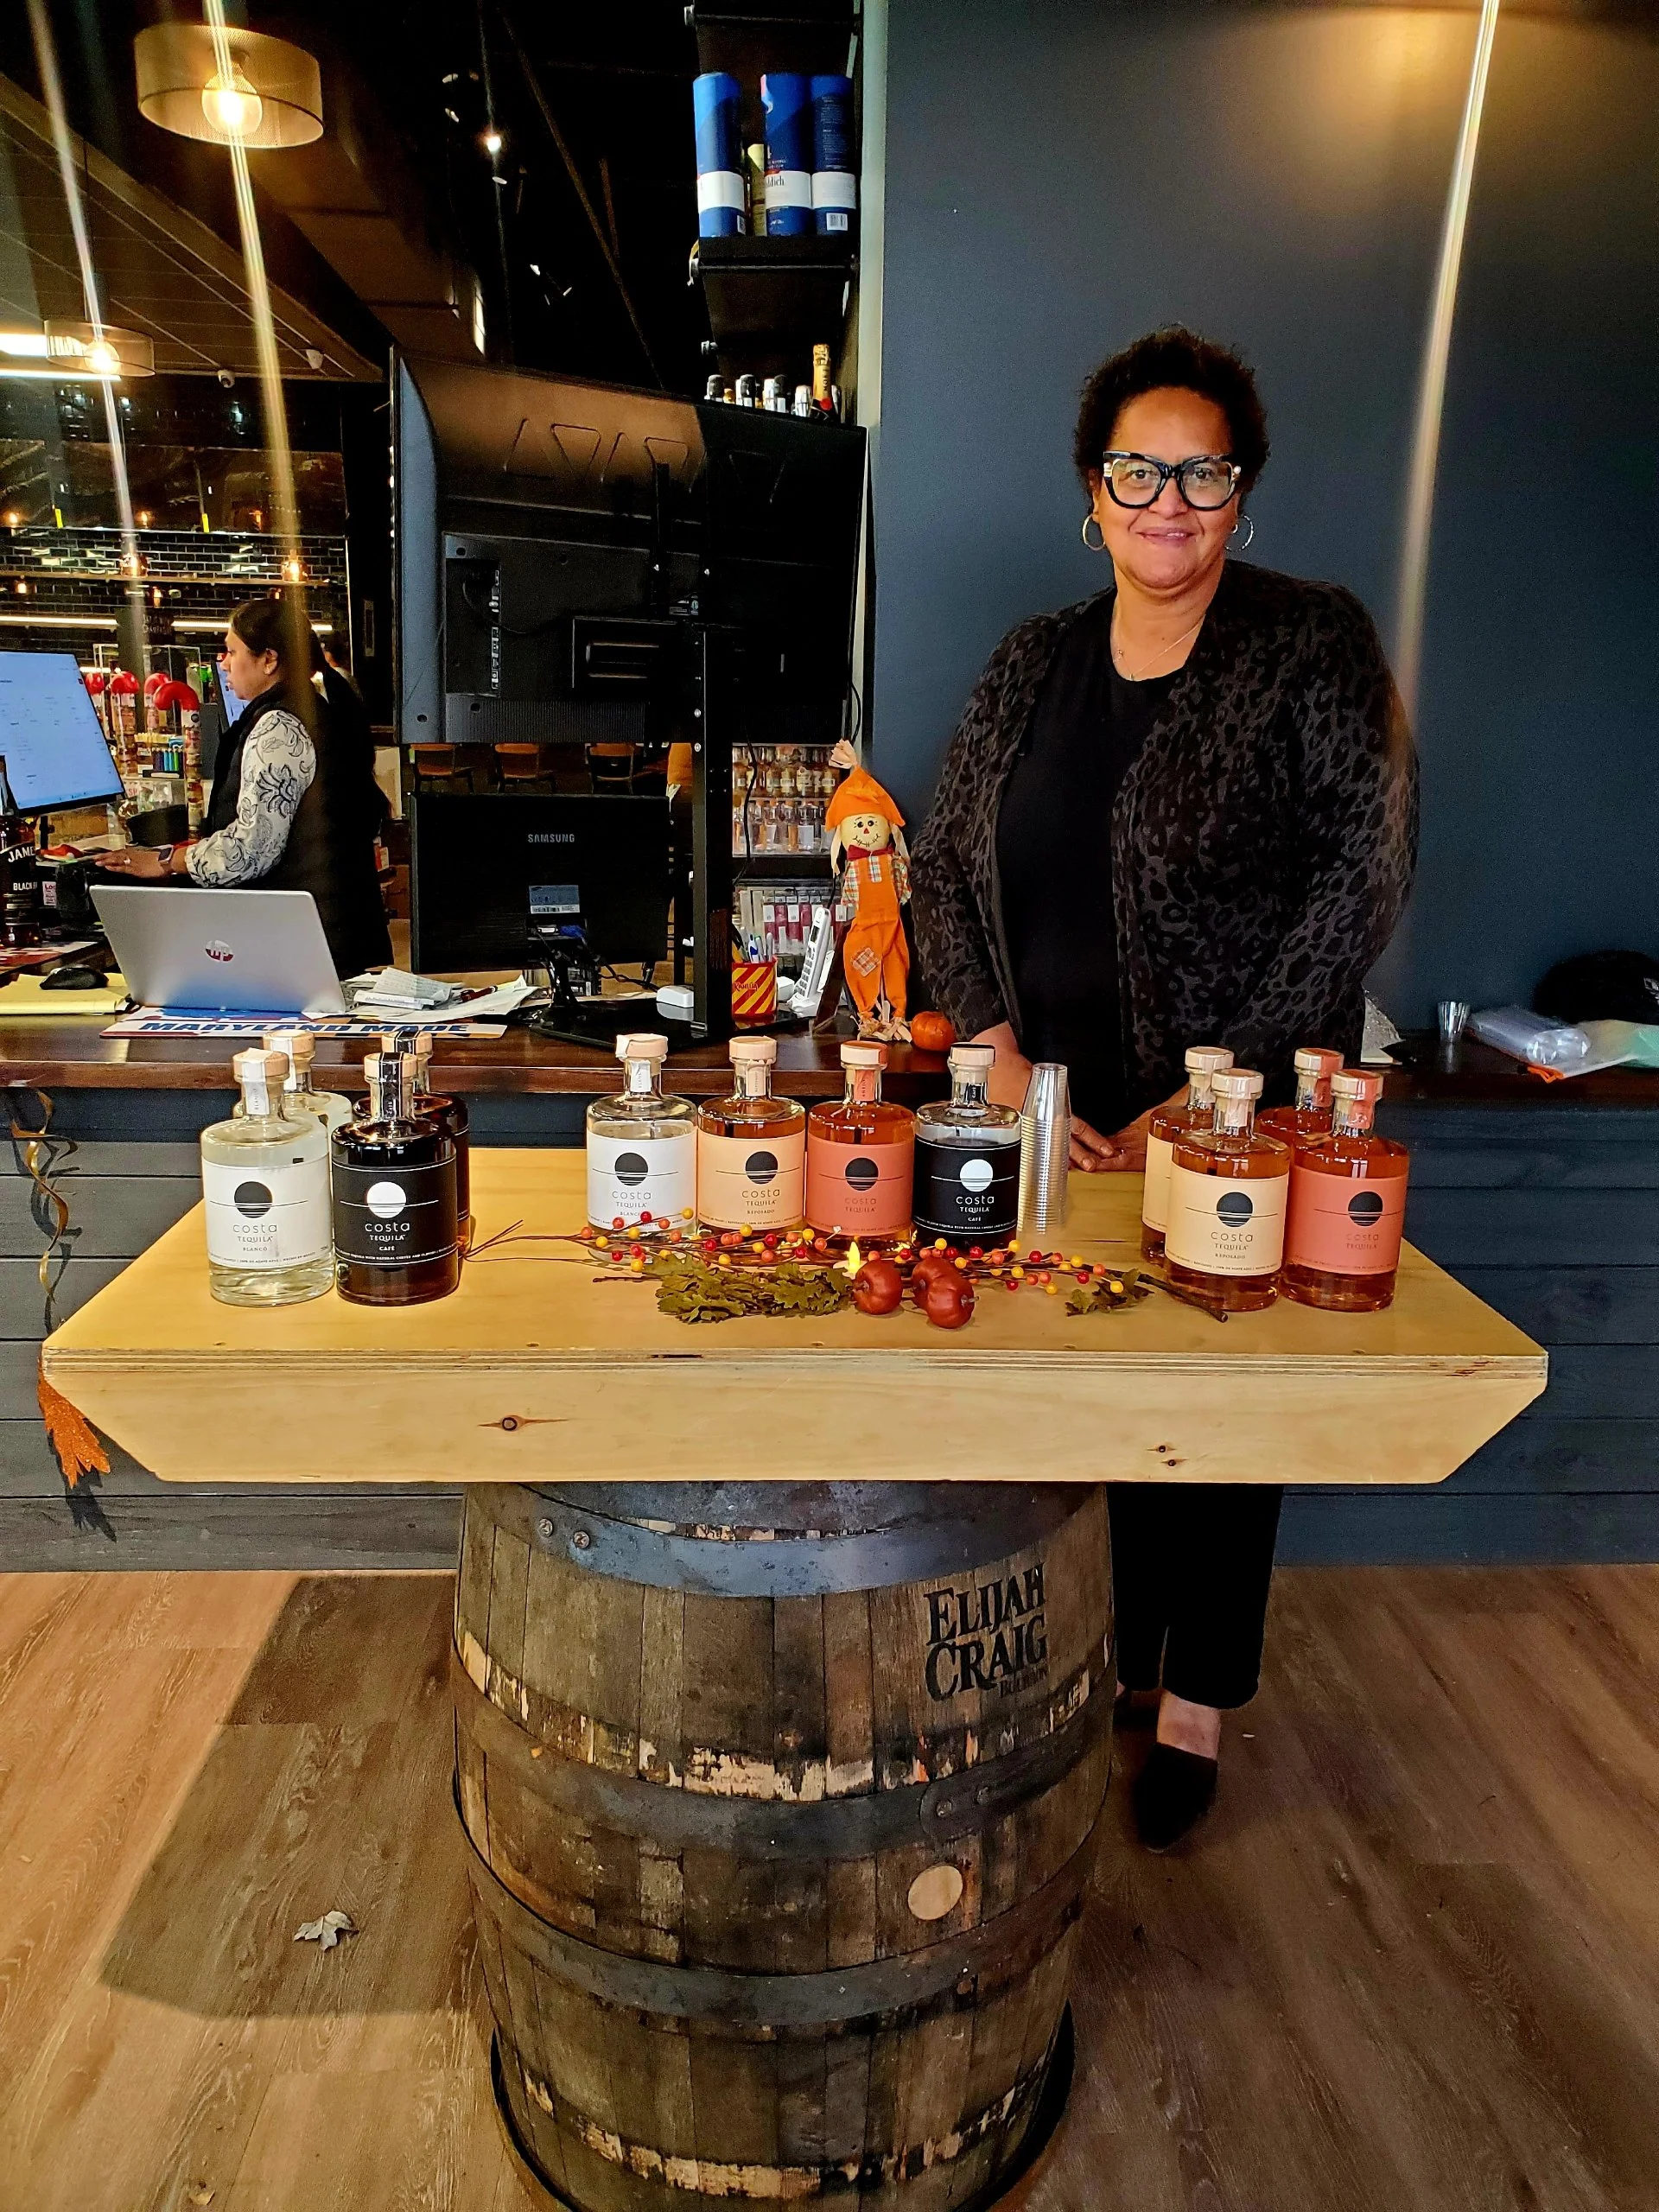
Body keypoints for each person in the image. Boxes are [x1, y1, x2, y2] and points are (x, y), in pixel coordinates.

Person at [909, 327, 1418, 1852]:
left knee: (1220, 1395)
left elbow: (1366, 864)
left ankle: (1195, 1700)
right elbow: (942, 860)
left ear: (1239, 490)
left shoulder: (1308, 641)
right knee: (1082, 1378)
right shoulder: (1029, 661)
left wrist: (1224, 1088)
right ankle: (1104, 1664)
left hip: (1235, 1111)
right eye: (1140, 469)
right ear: (1094, 489)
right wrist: (986, 1031)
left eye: (1202, 471)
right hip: (1050, 1106)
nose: (1169, 499)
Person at [100, 598, 391, 977]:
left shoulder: (279, 728)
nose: (223, 663)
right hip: (332, 937)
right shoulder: (317, 711)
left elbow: (252, 850)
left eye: (231, 651)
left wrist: (165, 862)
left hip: (303, 950)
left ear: (268, 659)